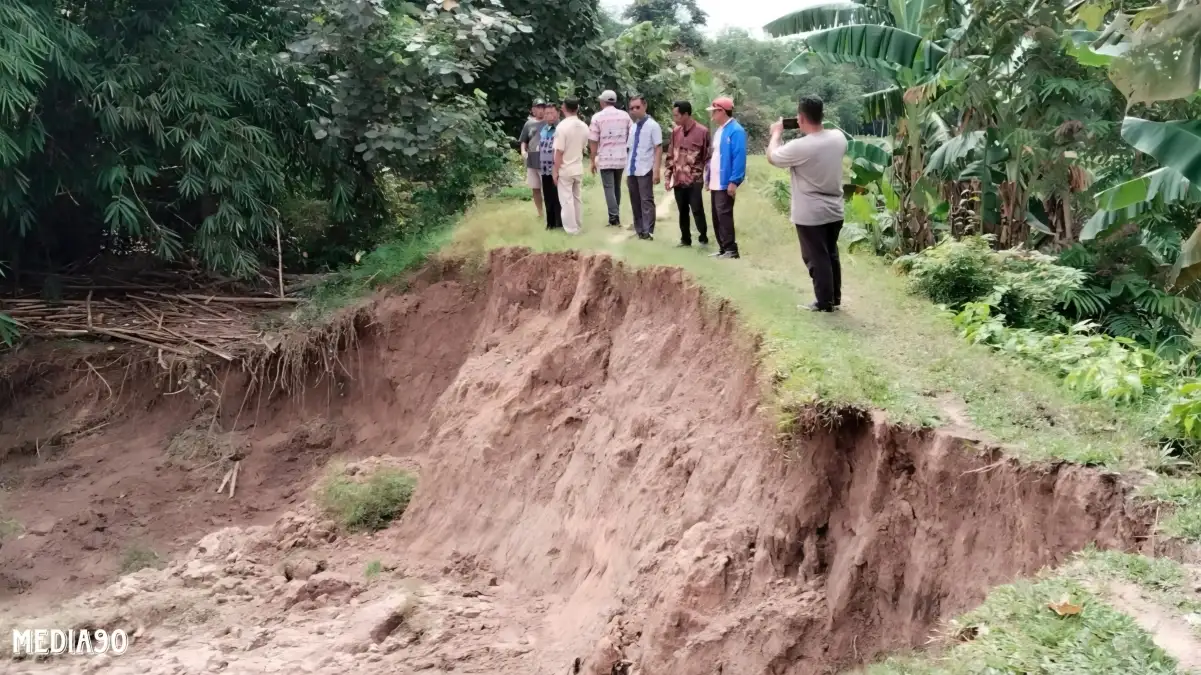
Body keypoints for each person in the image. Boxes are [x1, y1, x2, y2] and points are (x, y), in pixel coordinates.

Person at [768, 95, 849, 313]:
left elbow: (772, 157)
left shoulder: (800, 147)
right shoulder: (838, 138)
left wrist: (776, 134)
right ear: (822, 115)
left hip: (810, 213)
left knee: (816, 257)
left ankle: (824, 302)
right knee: (830, 253)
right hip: (835, 209)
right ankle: (834, 297)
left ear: (801, 117)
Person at [704, 97, 747, 260]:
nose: (712, 116)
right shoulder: (720, 130)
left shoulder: (736, 130)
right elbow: (714, 156)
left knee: (724, 214)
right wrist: (708, 178)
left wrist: (734, 181)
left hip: (725, 181)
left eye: (714, 112)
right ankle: (723, 247)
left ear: (722, 111)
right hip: (716, 180)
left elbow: (739, 157)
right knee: (716, 215)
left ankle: (731, 249)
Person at [664, 101, 710, 248]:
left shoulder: (702, 132)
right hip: (678, 178)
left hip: (695, 179)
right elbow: (670, 156)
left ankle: (703, 237)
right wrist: (668, 176)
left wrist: (707, 177)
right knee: (682, 210)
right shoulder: (675, 132)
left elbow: (707, 157)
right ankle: (685, 239)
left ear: (686, 114)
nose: (675, 118)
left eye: (677, 115)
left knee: (697, 209)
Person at [589, 90, 632, 227]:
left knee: (609, 187)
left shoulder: (597, 117)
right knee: (616, 187)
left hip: (606, 157)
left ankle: (614, 217)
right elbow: (631, 135)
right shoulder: (625, 116)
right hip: (621, 157)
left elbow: (593, 140)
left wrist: (593, 159)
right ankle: (616, 213)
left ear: (602, 102)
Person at [625, 96, 663, 241]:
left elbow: (658, 148)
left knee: (646, 200)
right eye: (632, 108)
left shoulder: (653, 126)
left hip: (645, 168)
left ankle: (649, 231)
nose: (634, 111)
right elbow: (630, 149)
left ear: (645, 106)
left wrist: (656, 169)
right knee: (635, 200)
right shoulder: (633, 127)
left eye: (637, 107)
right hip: (632, 169)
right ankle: (639, 229)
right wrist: (627, 170)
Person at [554, 98, 590, 235]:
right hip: (577, 166)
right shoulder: (584, 126)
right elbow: (583, 147)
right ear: (577, 108)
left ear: (563, 108)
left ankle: (571, 229)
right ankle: (578, 224)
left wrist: (555, 171)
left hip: (565, 167)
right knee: (577, 198)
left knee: (566, 200)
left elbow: (559, 151)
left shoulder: (562, 127)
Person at [518, 101, 547, 220]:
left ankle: (551, 211)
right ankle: (540, 212)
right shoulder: (528, 124)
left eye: (542, 107)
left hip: (545, 158)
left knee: (547, 187)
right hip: (531, 158)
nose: (540, 110)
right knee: (535, 188)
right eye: (538, 107)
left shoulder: (550, 122)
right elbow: (523, 140)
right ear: (533, 109)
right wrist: (523, 151)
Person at [538, 104, 562, 230]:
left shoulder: (560, 129)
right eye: (546, 113)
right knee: (547, 196)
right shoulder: (544, 129)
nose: (549, 116)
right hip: (544, 168)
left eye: (552, 113)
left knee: (557, 196)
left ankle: (559, 223)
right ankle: (550, 223)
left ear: (558, 114)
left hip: (555, 168)